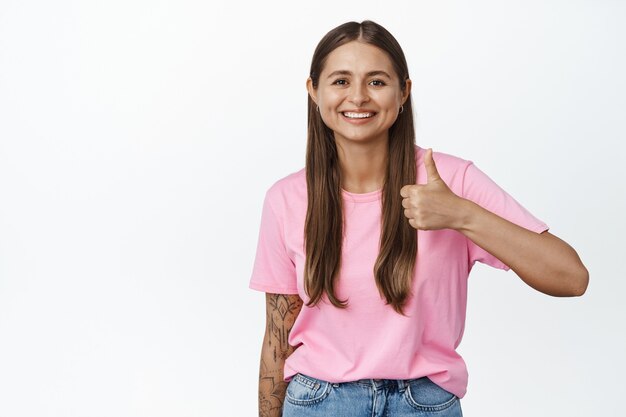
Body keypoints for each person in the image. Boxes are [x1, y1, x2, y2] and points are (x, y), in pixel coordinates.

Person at [249, 20, 589, 417]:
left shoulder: (450, 181)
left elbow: (571, 277)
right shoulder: (287, 199)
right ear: (314, 91)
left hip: (425, 403)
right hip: (318, 402)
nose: (357, 97)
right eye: (341, 81)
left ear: (403, 91)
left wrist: (461, 215)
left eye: (376, 82)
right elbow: (278, 335)